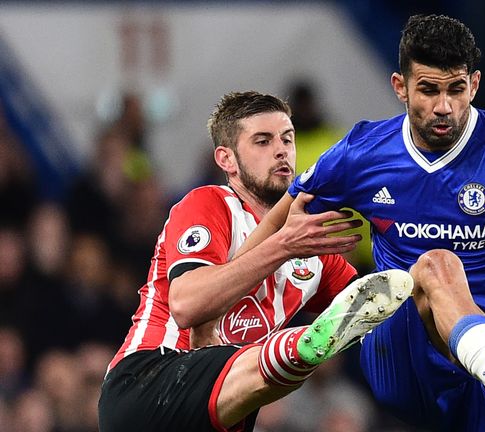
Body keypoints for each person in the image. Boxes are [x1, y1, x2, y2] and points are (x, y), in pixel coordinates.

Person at [248, 14, 485, 432]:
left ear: (476, 85)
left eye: (456, 89)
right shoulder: (363, 153)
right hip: (400, 356)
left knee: (447, 286)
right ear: (400, 87)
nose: (443, 106)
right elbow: (275, 224)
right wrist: (228, 287)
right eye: (429, 90)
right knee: (435, 267)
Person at [97, 91, 416, 432]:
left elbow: (376, 300)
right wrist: (283, 245)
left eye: (287, 139)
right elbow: (187, 304)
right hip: (150, 383)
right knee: (283, 366)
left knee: (280, 376)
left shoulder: (311, 244)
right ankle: (301, 347)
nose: (281, 150)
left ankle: (304, 349)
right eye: (262, 141)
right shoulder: (209, 204)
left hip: (221, 414)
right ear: (227, 160)